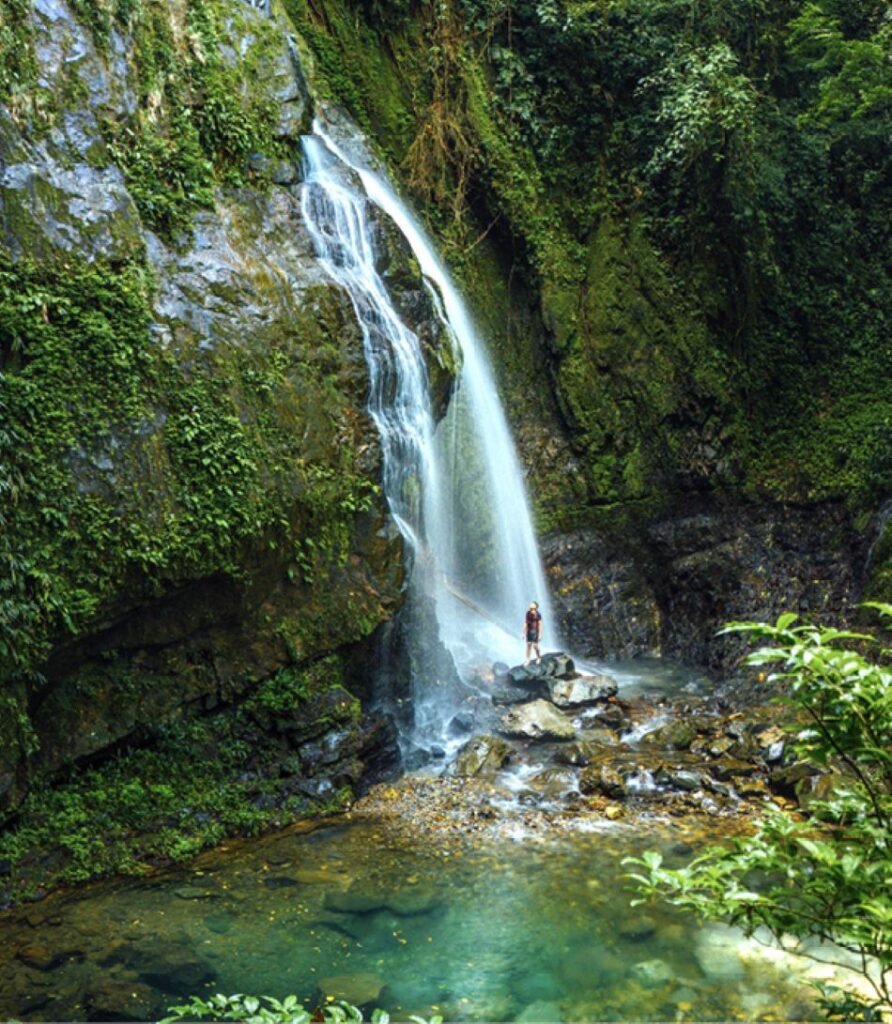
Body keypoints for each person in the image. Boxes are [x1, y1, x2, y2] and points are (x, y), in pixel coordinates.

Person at [523, 601, 542, 666]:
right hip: (529, 631)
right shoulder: (528, 613)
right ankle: (528, 659)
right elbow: (525, 623)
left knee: (535, 646)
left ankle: (538, 657)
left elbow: (540, 624)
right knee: (528, 645)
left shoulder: (538, 614)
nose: (530, 605)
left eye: (532, 604)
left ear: (535, 607)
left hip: (535, 631)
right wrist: (523, 633)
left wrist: (540, 635)